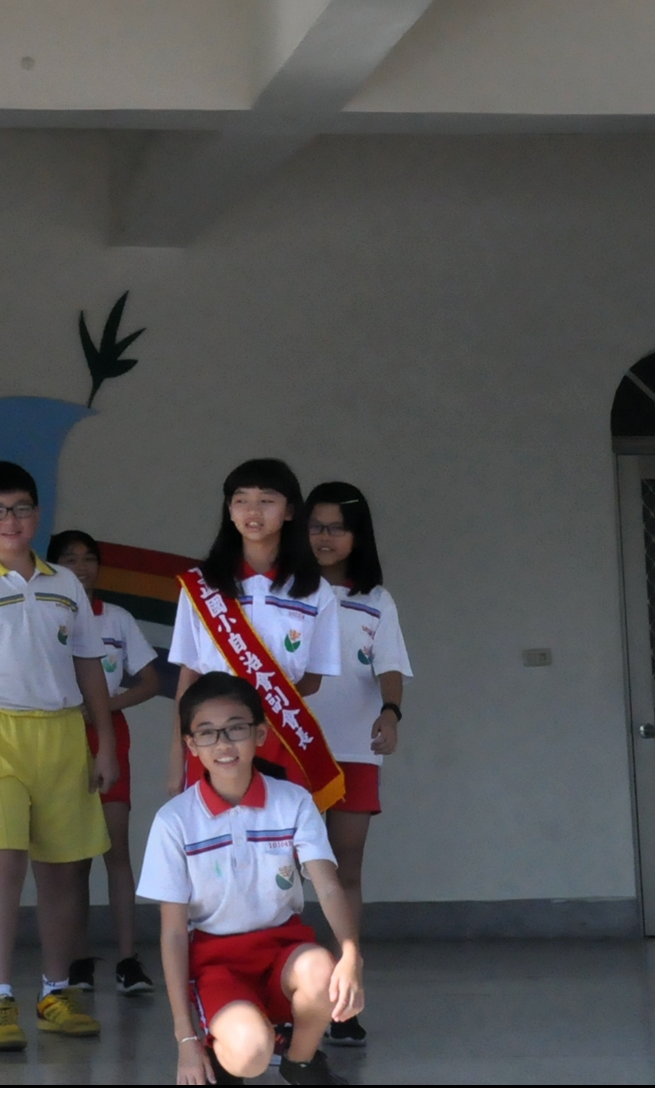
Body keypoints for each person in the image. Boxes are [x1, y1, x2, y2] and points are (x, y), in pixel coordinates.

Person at [137, 674, 364, 1088]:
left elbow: (329, 886)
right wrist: (185, 1037)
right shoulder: (174, 821)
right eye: (207, 732)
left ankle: (300, 1061)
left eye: (236, 728)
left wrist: (351, 955)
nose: (223, 743)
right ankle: (226, 1052)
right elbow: (173, 932)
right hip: (216, 963)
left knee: (322, 971)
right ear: (191, 745)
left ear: (260, 734)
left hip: (284, 949)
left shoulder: (293, 802)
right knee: (250, 1054)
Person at [0, 463, 113, 1049]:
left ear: (38, 514)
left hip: (64, 734)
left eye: (22, 508)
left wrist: (104, 741)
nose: (11, 520)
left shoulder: (66, 583)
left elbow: (88, 664)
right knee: (1, 869)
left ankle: (56, 991)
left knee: (65, 871)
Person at [299, 481, 411, 1049]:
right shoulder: (285, 591)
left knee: (345, 873)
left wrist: (391, 713)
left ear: (357, 535)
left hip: (353, 752)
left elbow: (390, 666)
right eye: (316, 526)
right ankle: (283, 994)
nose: (325, 537)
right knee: (278, 875)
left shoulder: (376, 599)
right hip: (291, 749)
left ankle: (344, 999)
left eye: (337, 528)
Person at [165, 458, 346, 804]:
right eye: (241, 499)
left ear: (289, 511)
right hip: (211, 738)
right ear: (229, 510)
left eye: (266, 500)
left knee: (282, 829)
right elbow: (188, 678)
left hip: (281, 735)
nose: (252, 510)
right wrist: (177, 757)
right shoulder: (202, 586)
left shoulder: (315, 592)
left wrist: (268, 707)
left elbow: (312, 679)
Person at [47, 529, 162, 997]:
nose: (81, 567)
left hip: (109, 733)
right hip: (59, 736)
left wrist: (105, 706)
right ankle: (78, 961)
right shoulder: (46, 614)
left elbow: (151, 680)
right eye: (70, 559)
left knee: (117, 851)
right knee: (73, 860)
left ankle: (128, 960)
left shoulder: (116, 617)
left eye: (89, 558)